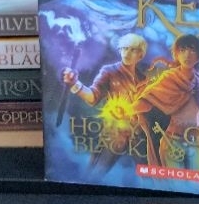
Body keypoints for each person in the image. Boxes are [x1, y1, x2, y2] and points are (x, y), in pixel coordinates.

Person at [62, 32, 147, 172]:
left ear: (140, 55)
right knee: (94, 175)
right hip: (114, 134)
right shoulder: (109, 71)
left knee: (151, 177)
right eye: (124, 48)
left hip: (138, 136)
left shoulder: (143, 79)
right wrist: (75, 84)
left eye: (133, 50)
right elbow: (93, 96)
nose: (127, 53)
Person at [131, 34, 199, 170]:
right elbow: (146, 99)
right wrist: (129, 112)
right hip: (172, 140)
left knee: (196, 182)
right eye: (182, 50)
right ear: (176, 54)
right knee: (174, 181)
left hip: (196, 142)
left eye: (192, 50)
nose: (187, 55)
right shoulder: (168, 79)